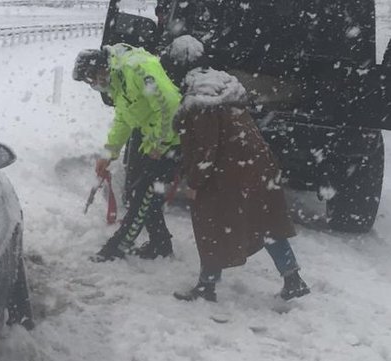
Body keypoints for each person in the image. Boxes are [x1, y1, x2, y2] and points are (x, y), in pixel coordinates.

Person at [172, 66, 311, 302]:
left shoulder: (202, 107)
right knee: (266, 222)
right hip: (259, 168)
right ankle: (293, 278)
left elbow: (206, 151)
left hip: (230, 175)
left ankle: (207, 284)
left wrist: (194, 182)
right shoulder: (230, 101)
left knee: (209, 225)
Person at [72, 44, 182, 261]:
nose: (93, 85)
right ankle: (161, 245)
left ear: (100, 68)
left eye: (91, 79)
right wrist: (108, 154)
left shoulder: (135, 69)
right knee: (144, 195)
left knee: (142, 195)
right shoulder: (118, 82)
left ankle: (117, 248)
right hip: (155, 142)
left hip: (172, 140)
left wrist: (160, 144)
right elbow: (123, 121)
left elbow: (170, 105)